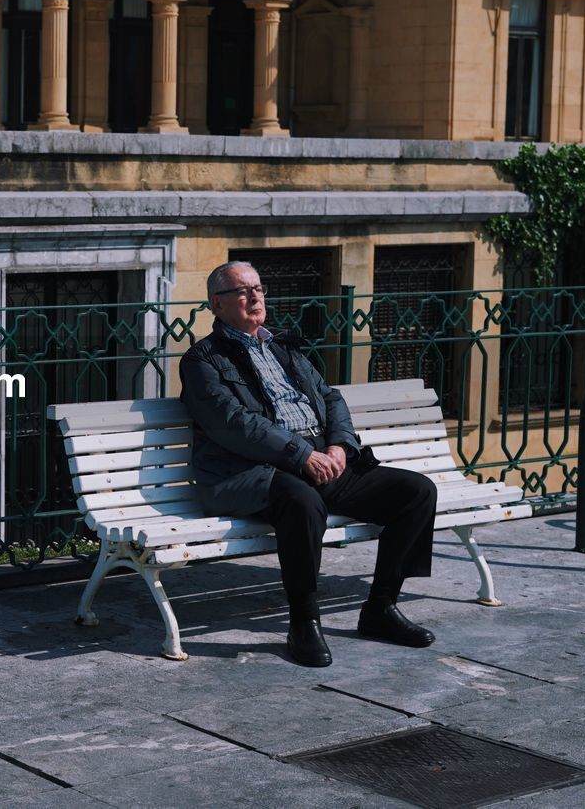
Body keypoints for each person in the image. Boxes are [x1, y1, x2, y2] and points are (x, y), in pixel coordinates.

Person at [179, 261, 438, 667]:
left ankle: (380, 609)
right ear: (217, 303)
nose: (255, 296)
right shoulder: (202, 361)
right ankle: (303, 622)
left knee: (416, 492)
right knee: (302, 501)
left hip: (319, 459)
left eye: (259, 288)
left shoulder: (283, 346)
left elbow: (329, 398)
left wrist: (340, 447)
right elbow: (234, 425)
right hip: (250, 471)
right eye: (242, 291)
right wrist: (301, 455)